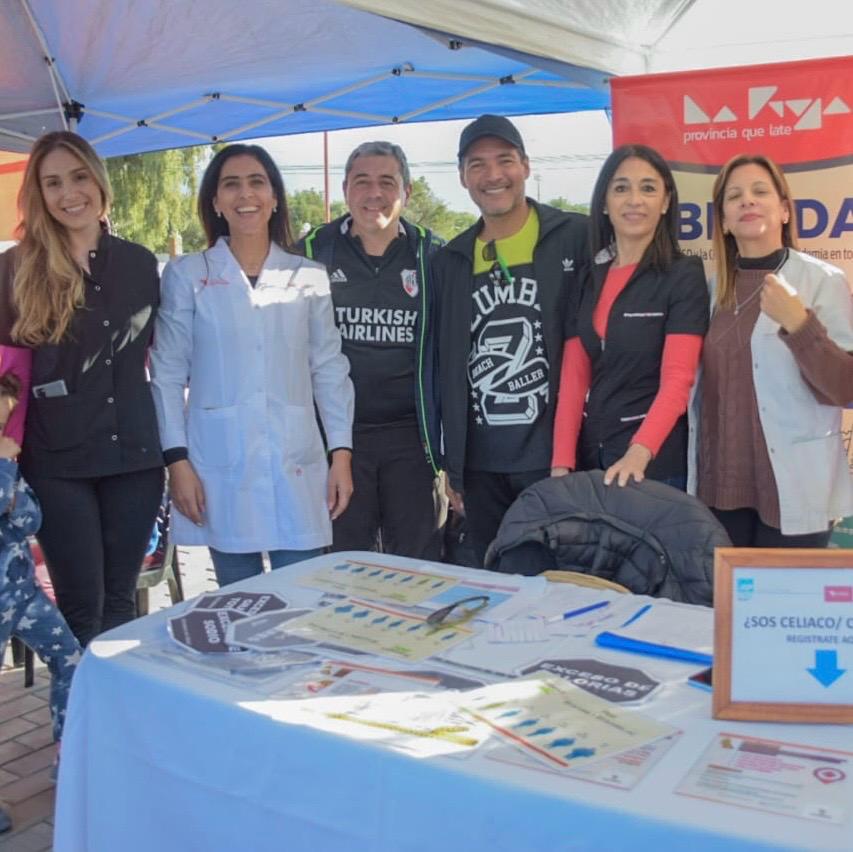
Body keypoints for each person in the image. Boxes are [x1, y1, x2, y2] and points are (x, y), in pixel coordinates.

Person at [150, 144, 354, 587]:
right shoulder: (188, 275)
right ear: (216, 201)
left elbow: (329, 369)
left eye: (257, 182)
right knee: (236, 605)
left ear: (276, 197)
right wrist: (177, 461)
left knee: (302, 599)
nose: (247, 195)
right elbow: (166, 373)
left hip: (296, 460)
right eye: (232, 184)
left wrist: (341, 453)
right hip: (219, 465)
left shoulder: (308, 277)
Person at [0, 131, 164, 647]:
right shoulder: (15, 268)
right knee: (81, 604)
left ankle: (111, 719)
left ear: (97, 179)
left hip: (135, 459)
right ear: (39, 195)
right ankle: (80, 723)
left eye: (78, 176)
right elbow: (9, 369)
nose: (69, 192)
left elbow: (161, 353)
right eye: (52, 183)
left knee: (121, 599)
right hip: (57, 462)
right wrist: (7, 440)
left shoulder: (139, 263)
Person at [434, 114, 588, 567]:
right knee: (495, 584)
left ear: (525, 165)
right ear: (462, 177)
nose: (493, 175)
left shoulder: (573, 237)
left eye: (504, 160)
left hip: (556, 455)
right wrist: (452, 465)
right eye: (477, 164)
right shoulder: (452, 260)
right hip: (481, 467)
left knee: (561, 583)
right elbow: (444, 366)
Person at [691, 153, 853, 547]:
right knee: (726, 606)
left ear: (783, 211)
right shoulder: (711, 291)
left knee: (789, 605)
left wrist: (799, 325)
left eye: (760, 191)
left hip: (794, 488)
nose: (747, 200)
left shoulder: (821, 281)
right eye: (735, 196)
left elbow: (846, 390)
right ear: (725, 222)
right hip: (720, 491)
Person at [301, 141, 443, 559]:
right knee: (344, 569)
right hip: (339, 441)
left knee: (419, 571)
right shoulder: (311, 253)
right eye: (362, 182)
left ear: (407, 192)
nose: (374, 193)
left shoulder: (432, 256)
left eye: (387, 182)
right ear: (345, 189)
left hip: (412, 441)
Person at [551, 145, 709, 489]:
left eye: (648, 188)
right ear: (605, 202)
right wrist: (562, 465)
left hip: (656, 467)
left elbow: (678, 381)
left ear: (666, 202)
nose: (634, 199)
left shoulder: (683, 274)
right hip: (595, 460)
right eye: (621, 188)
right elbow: (574, 379)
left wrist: (639, 453)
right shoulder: (588, 276)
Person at [0, 375, 81, 777]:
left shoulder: (8, 463)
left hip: (22, 595)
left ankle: (68, 756)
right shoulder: (3, 461)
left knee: (71, 659)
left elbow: (31, 518)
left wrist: (8, 480)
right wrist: (2, 469)